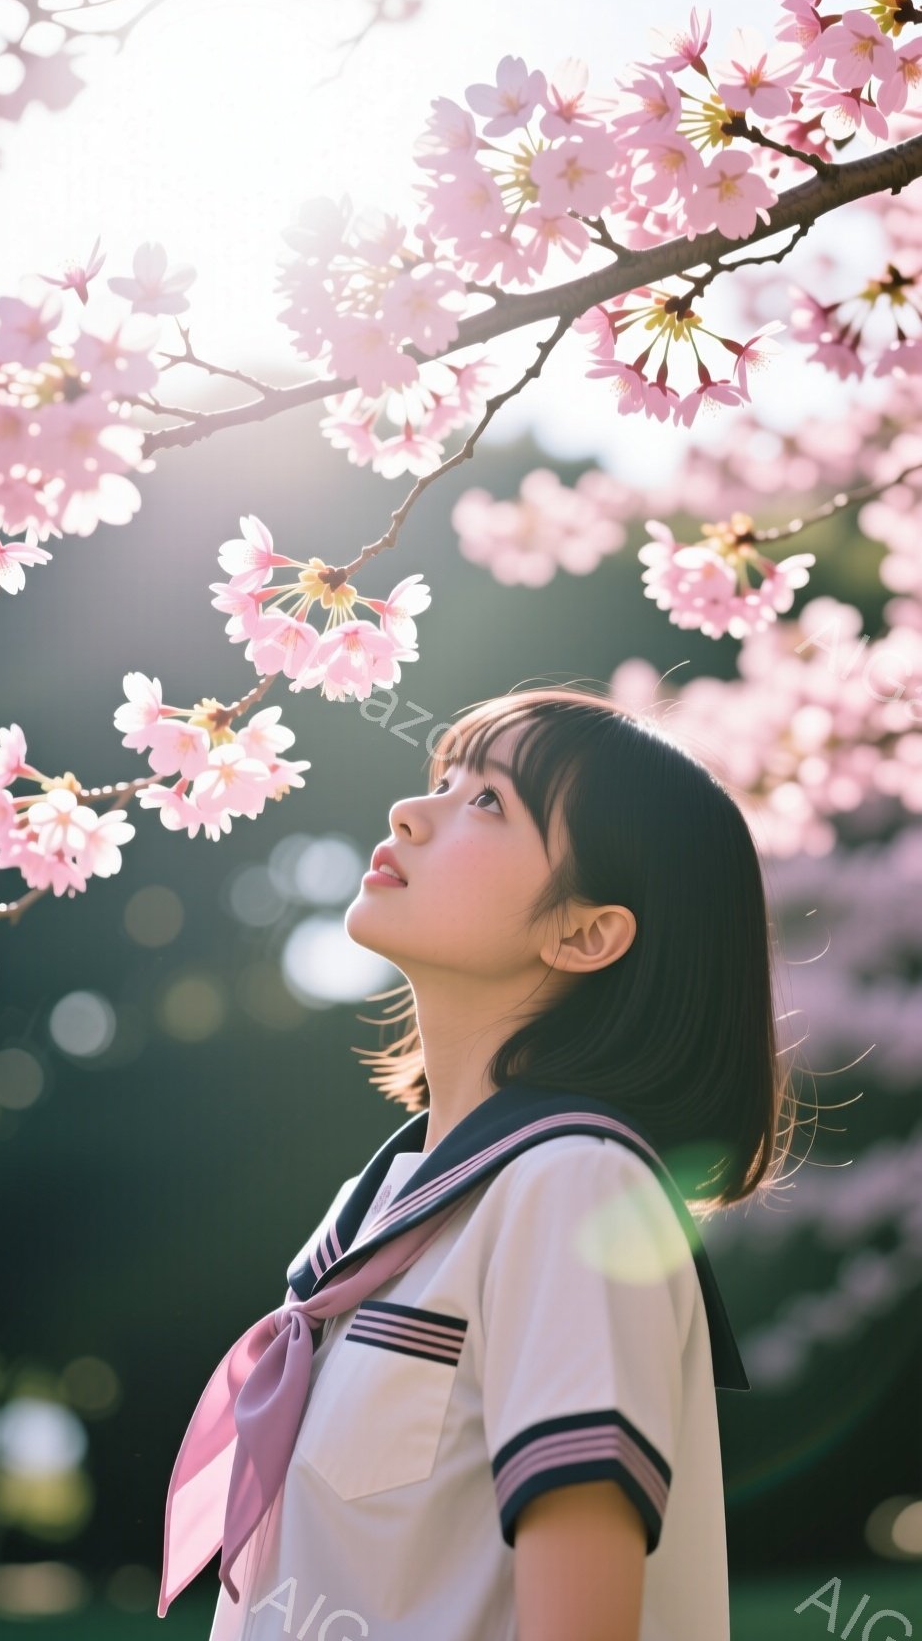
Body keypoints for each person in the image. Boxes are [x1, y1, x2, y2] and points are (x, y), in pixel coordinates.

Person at [161, 685, 798, 1640]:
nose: (411, 813)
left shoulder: (575, 1186)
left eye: (489, 801)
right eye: (444, 780)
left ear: (585, 932)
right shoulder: (378, 1208)